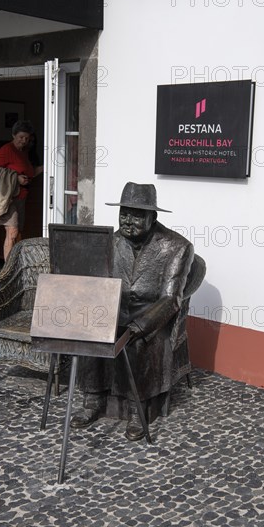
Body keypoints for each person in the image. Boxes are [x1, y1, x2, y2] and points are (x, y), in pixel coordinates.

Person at [71, 182, 195, 441]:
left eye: (137, 215)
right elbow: (97, 283)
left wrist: (142, 325)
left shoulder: (176, 246)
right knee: (92, 334)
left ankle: (139, 408)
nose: (128, 221)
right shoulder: (110, 242)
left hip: (151, 315)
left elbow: (172, 298)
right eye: (124, 214)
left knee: (137, 342)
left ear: (153, 217)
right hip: (113, 308)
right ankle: (93, 400)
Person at [0, 120, 43, 260]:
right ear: (13, 135)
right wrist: (16, 178)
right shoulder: (7, 150)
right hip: (9, 197)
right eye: (21, 137)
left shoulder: (24, 152)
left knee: (18, 233)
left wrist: (46, 167)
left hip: (21, 197)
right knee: (12, 232)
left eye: (26, 138)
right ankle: (7, 272)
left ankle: (16, 267)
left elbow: (31, 173)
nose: (24, 141)